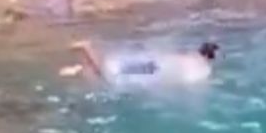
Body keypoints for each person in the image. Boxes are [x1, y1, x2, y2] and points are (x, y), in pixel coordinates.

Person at [62, 40, 220, 85]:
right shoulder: (202, 69)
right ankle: (86, 49)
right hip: (154, 70)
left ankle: (79, 68)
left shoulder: (190, 56)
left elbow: (168, 58)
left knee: (111, 70)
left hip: (153, 65)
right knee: (106, 76)